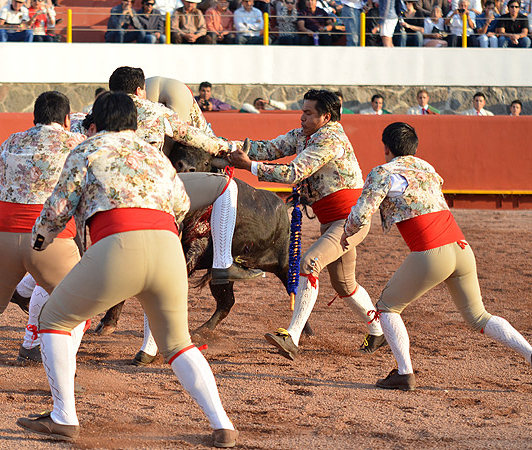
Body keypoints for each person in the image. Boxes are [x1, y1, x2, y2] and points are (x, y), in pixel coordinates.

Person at [15, 92, 239, 448]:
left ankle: (63, 417)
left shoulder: (87, 149)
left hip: (118, 245)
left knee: (54, 321)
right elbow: (181, 204)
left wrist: (41, 237)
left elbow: (59, 205)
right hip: (167, 250)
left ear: (92, 125)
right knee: (179, 344)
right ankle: (222, 423)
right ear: (135, 124)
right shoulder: (156, 155)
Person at [342, 122, 532, 391]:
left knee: (387, 308)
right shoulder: (428, 168)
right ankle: (529, 353)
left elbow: (361, 214)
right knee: (479, 316)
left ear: (385, 147)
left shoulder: (382, 173)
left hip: (432, 252)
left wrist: (345, 232)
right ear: (415, 147)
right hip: (461, 247)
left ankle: (404, 373)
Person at [229, 90, 386, 360]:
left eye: (308, 113)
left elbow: (293, 173)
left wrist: (250, 167)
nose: (302, 117)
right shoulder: (304, 134)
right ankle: (378, 331)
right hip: (332, 221)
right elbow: (267, 148)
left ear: (325, 116)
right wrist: (224, 145)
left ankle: (292, 336)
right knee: (344, 284)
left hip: (350, 221)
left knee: (309, 262)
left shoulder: (331, 139)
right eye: (302, 111)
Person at [0, 91, 87, 392]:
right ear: (66, 119)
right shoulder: (76, 143)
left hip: (1, 231)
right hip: (50, 237)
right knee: (78, 307)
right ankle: (67, 373)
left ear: (34, 118)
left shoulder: (12, 141)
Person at [113, 67, 263, 284]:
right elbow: (195, 136)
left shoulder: (99, 108)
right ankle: (222, 263)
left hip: (121, 184)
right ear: (139, 90)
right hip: (177, 97)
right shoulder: (154, 109)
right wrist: (227, 148)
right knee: (223, 183)